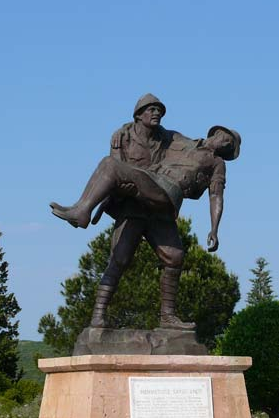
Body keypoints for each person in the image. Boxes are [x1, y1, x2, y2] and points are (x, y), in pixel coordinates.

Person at [51, 94, 240, 332]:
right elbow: (142, 133)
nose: (224, 141)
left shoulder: (215, 163)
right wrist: (123, 130)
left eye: (228, 144)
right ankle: (98, 317)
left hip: (164, 195)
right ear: (214, 133)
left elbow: (216, 196)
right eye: (223, 136)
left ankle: (82, 211)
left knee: (111, 166)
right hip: (137, 205)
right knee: (139, 258)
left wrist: (214, 228)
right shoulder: (178, 139)